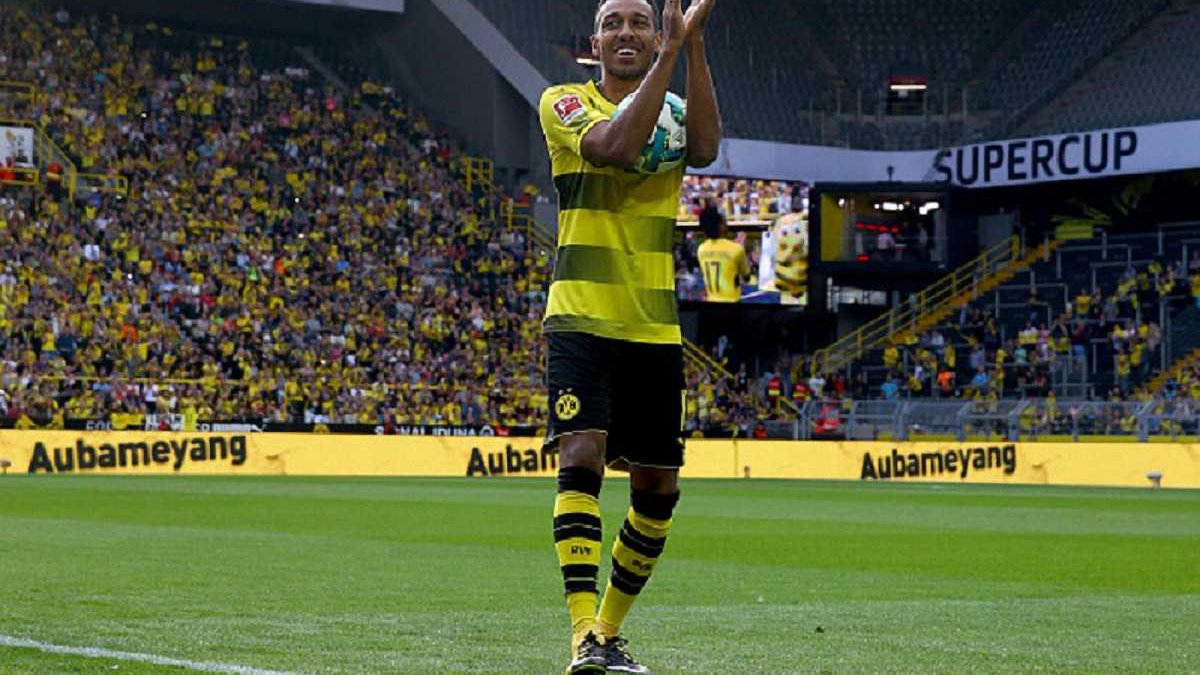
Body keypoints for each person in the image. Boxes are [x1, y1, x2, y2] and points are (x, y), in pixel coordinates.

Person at [536, 0, 721, 672]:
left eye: (640, 22)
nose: (626, 32)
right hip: (581, 313)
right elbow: (613, 148)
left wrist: (693, 45)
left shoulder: (673, 110)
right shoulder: (563, 102)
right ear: (594, 40)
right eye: (613, 22)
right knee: (581, 453)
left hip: (654, 325)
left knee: (658, 488)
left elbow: (705, 149)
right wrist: (669, 51)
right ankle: (581, 632)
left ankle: (608, 634)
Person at [695, 205, 749, 302]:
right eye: (724, 222)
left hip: (711, 302)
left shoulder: (701, 249)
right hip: (732, 302)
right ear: (721, 226)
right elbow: (746, 277)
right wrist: (741, 250)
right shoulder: (736, 249)